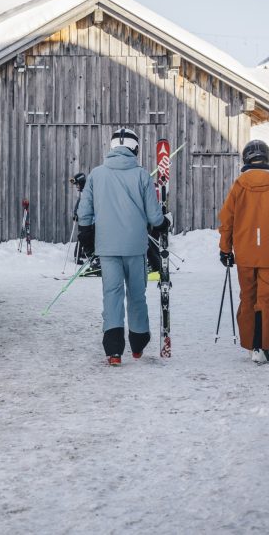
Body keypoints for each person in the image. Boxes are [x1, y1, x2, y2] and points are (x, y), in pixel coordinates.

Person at [77, 128, 168, 366]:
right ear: (135, 148)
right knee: (136, 294)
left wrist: (86, 236)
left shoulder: (96, 175)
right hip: (135, 247)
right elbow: (154, 216)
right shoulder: (142, 175)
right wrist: (163, 223)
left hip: (106, 246)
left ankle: (114, 350)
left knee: (112, 294)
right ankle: (138, 343)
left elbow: (84, 212)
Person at [217, 140, 269, 365]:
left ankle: (251, 345)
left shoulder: (239, 185)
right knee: (267, 299)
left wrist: (225, 249)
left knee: (248, 297)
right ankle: (263, 347)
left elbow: (227, 221)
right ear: (267, 157)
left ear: (246, 158)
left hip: (245, 252)